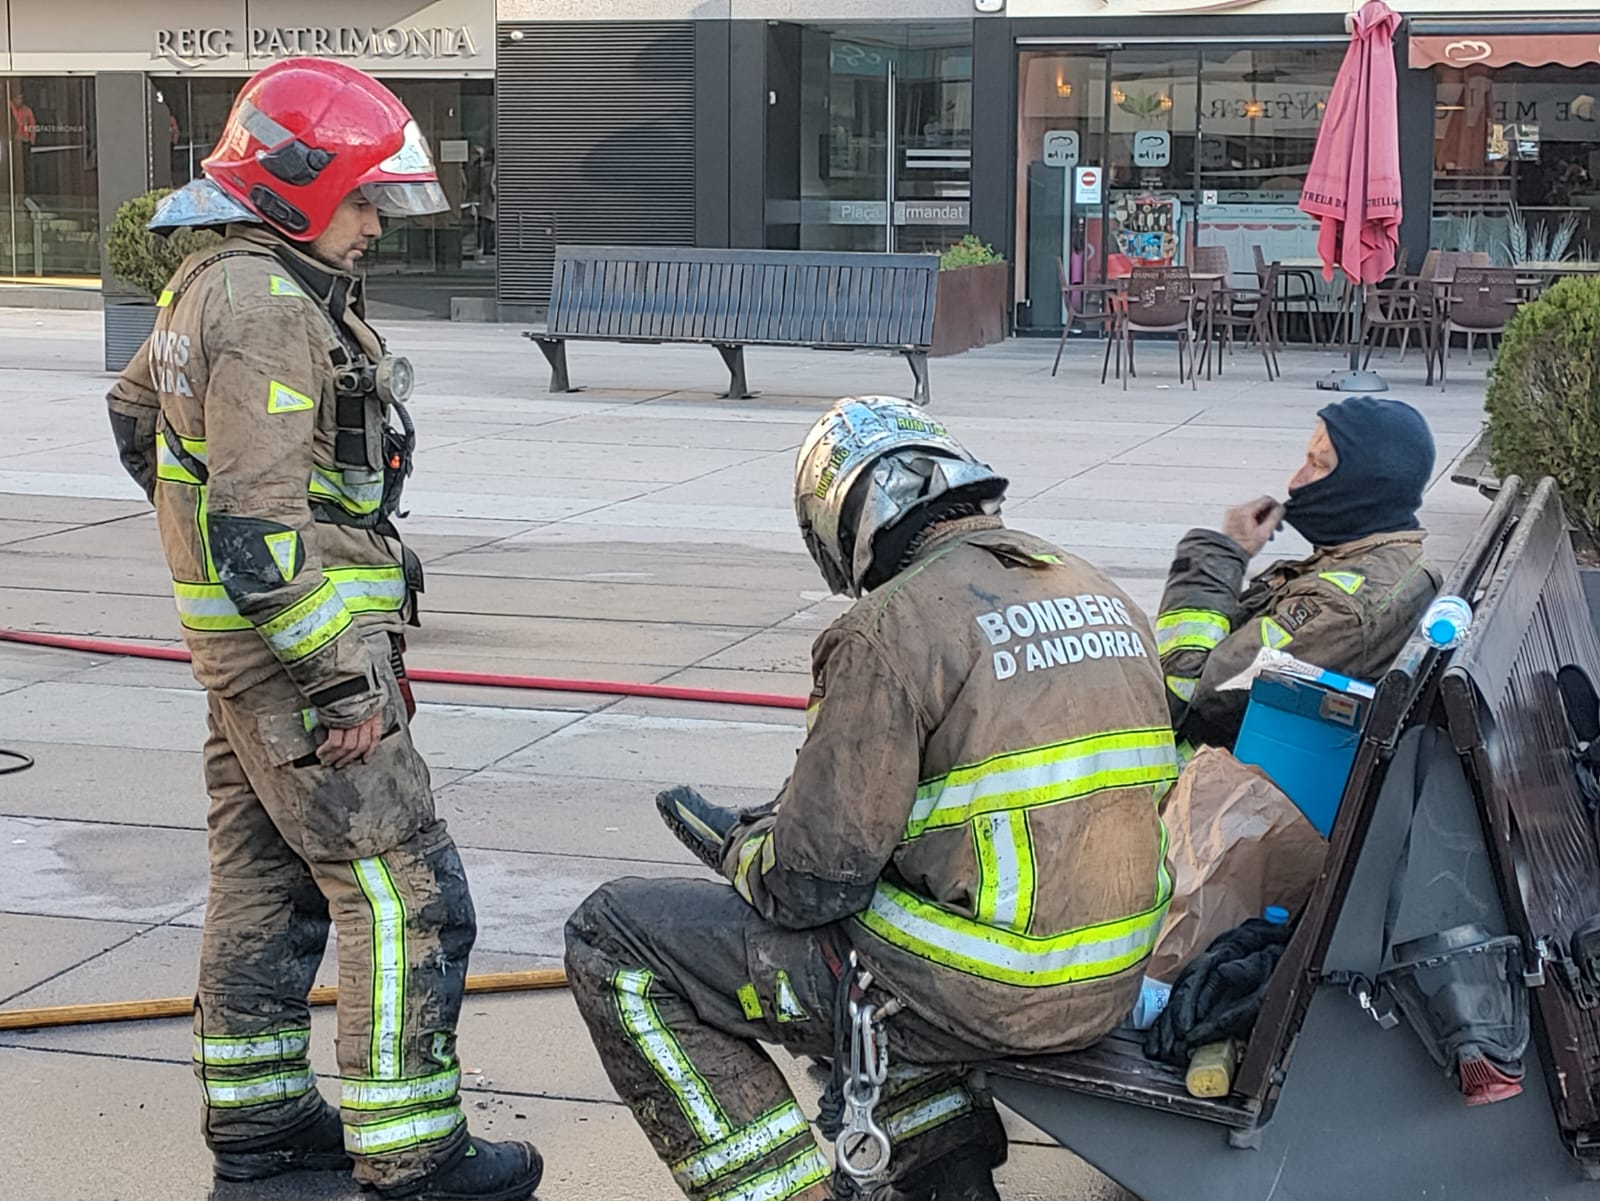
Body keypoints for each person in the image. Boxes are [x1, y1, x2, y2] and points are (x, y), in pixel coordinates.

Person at [103, 59, 542, 1200]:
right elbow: (257, 528)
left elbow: (135, 413)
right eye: (358, 200)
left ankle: (259, 1123)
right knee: (407, 886)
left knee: (264, 879)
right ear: (297, 186)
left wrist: (191, 562)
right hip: (304, 663)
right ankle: (413, 1149)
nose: (372, 226)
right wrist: (337, 681)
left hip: (248, 660)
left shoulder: (213, 279)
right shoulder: (262, 302)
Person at [565, 396, 1180, 1201]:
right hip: (1111, 979)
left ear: (844, 521)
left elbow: (816, 881)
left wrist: (743, 847)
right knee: (886, 925)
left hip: (987, 991)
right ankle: (947, 1169)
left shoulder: (887, 629)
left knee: (614, 935)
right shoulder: (1094, 588)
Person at [1156, 396, 1441, 750]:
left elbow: (1186, 696)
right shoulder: (1390, 559)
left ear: (1364, 484)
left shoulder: (1339, 609)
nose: (1295, 481)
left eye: (1318, 466)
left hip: (1211, 779)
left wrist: (1219, 553)